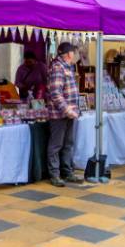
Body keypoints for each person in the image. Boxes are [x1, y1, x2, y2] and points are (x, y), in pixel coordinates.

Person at [46, 42, 83, 187]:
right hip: (59, 114)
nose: (75, 55)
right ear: (69, 54)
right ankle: (54, 175)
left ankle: (67, 172)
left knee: (68, 144)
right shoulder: (57, 67)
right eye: (74, 52)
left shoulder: (68, 66)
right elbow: (55, 93)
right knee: (56, 145)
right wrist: (67, 109)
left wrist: (73, 110)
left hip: (69, 113)